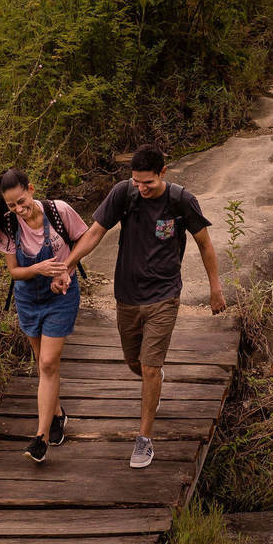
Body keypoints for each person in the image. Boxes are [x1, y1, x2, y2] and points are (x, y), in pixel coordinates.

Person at [53, 146, 226, 468]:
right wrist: (68, 265)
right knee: (135, 362)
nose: (142, 188)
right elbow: (95, 232)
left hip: (164, 295)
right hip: (127, 295)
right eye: (136, 181)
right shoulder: (124, 193)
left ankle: (144, 439)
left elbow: (204, 244)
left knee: (148, 367)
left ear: (163, 172)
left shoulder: (181, 200)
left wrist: (215, 288)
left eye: (148, 182)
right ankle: (154, 381)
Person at [0, 168, 88, 463]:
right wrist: (38, 269)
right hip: (28, 298)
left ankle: (40, 438)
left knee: (49, 362)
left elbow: (85, 238)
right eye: (11, 205)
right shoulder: (8, 226)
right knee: (42, 363)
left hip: (61, 295)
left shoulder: (59, 211)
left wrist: (67, 268)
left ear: (31, 189)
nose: (18, 209)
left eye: (21, 201)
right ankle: (57, 415)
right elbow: (14, 271)